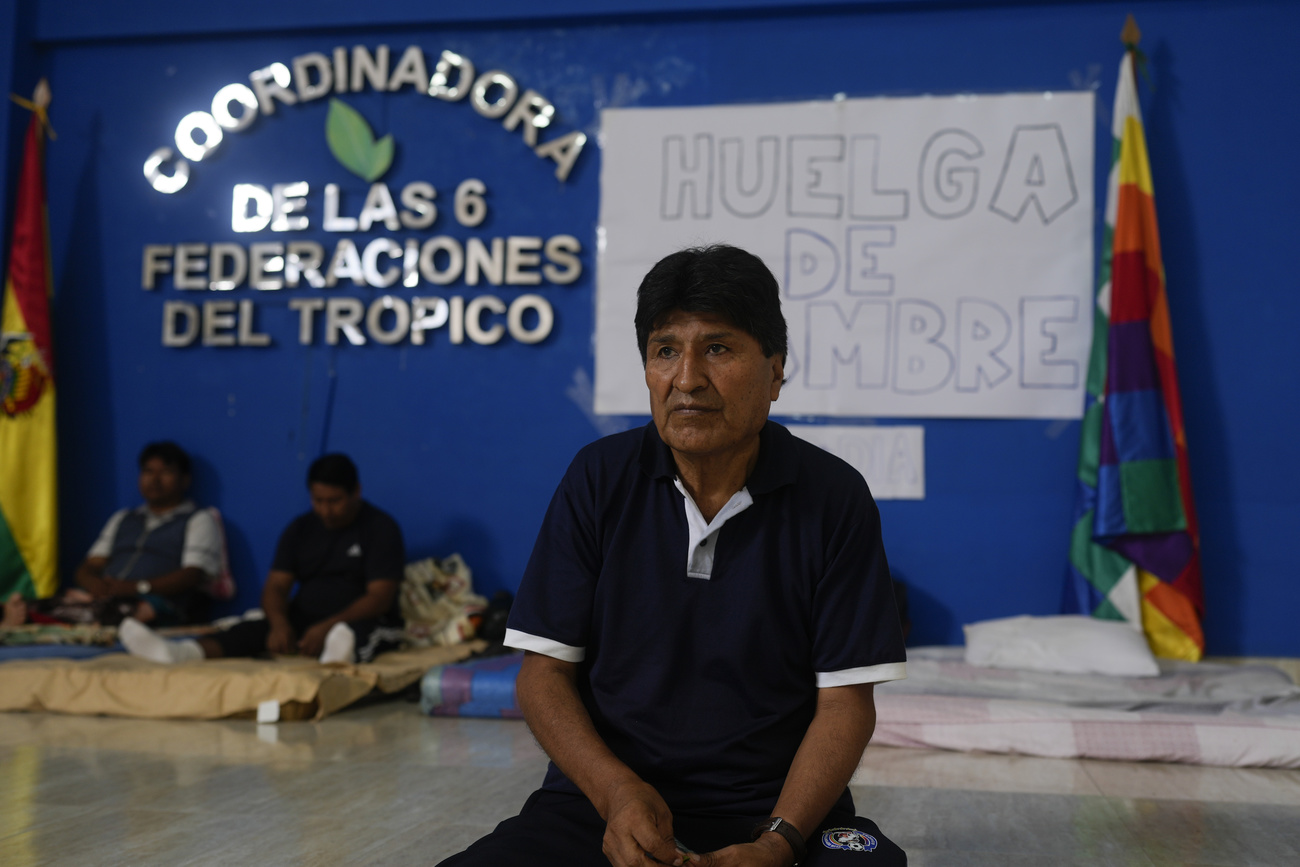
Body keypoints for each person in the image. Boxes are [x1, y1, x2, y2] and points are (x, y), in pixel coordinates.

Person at [440, 245, 908, 867]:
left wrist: (778, 843)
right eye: (665, 350)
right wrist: (617, 793)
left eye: (718, 348)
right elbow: (542, 675)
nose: (687, 378)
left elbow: (846, 704)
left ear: (774, 372)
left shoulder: (834, 497)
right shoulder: (597, 480)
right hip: (605, 807)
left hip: (776, 812)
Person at [120, 453, 406, 666]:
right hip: (306, 619)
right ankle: (181, 653)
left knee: (348, 634)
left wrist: (328, 627)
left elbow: (379, 597)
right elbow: (276, 586)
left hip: (363, 619)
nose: (326, 510)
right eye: (318, 501)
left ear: (356, 491)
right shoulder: (301, 529)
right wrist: (280, 624)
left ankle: (334, 661)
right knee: (254, 628)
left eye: (335, 501)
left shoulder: (380, 528)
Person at [69, 441, 223, 626]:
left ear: (185, 480)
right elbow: (91, 564)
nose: (155, 480)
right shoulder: (123, 518)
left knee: (119, 615)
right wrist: (93, 583)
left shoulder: (198, 519)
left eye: (166, 472)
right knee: (41, 608)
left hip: (157, 604)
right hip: (104, 597)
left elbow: (192, 574)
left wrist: (136, 587)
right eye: (148, 471)